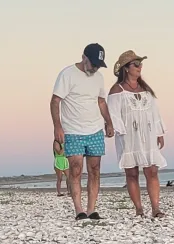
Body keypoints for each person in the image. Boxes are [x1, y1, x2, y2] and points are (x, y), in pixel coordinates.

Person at [51, 44, 115, 220]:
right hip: (73, 130)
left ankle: (91, 209)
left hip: (95, 129)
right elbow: (55, 101)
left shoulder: (99, 78)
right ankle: (79, 210)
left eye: (98, 65)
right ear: (84, 57)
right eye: (93, 63)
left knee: (95, 170)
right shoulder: (67, 74)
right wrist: (57, 126)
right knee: (76, 169)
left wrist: (108, 122)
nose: (95, 68)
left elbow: (101, 102)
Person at [108, 50, 167, 218]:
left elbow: (155, 113)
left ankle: (156, 208)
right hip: (128, 135)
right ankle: (139, 209)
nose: (140, 67)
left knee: (152, 170)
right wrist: (117, 131)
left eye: (140, 64)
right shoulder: (117, 90)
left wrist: (159, 132)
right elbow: (112, 114)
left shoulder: (146, 89)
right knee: (132, 173)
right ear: (126, 68)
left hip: (147, 134)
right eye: (136, 64)